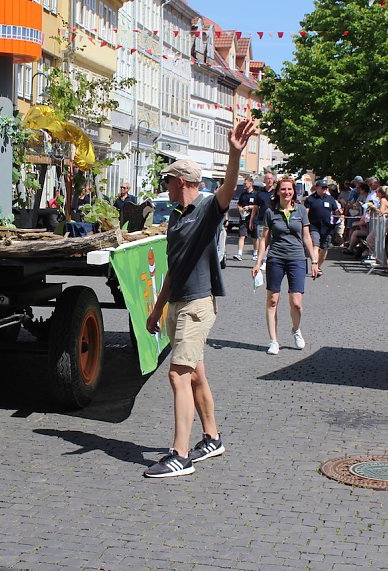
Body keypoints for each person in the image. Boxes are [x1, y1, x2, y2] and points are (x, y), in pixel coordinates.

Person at [143, 118, 256, 478]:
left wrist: (234, 154)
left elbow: (228, 187)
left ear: (180, 181)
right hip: (178, 303)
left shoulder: (207, 210)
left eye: (167, 180)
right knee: (194, 376)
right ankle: (212, 438)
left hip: (197, 305)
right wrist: (157, 310)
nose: (164, 186)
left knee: (178, 374)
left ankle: (180, 455)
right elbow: (173, 269)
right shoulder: (176, 218)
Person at [251, 175, 318, 355]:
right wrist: (258, 262)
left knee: (296, 303)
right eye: (283, 189)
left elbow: (306, 237)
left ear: (294, 191)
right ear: (278, 191)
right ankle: (273, 341)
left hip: (297, 258)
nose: (287, 192)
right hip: (276, 258)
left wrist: (314, 260)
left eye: (289, 189)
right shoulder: (270, 212)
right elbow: (264, 239)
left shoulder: (301, 210)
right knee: (272, 300)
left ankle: (296, 329)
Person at [304, 179, 340, 276]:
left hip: (326, 227)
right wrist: (305, 224)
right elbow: (306, 212)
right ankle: (314, 265)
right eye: (322, 187)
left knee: (324, 248)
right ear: (317, 188)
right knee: (316, 245)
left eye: (325, 187)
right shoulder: (310, 199)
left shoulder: (330, 199)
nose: (324, 189)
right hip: (314, 226)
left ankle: (318, 267)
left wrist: (340, 213)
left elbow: (336, 211)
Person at [232, 175, 260, 261]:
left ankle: (255, 253)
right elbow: (239, 204)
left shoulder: (256, 194)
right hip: (243, 218)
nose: (244, 185)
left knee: (255, 237)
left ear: (250, 183)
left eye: (245, 183)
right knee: (242, 235)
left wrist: (249, 207)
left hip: (253, 219)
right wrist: (240, 208)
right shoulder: (243, 194)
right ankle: (239, 254)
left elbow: (258, 206)